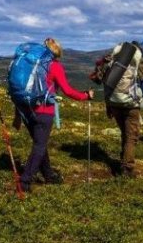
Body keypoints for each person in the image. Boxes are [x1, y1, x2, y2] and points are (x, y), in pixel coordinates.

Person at [12, 38, 94, 192]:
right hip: (44, 112)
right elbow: (68, 90)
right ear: (57, 53)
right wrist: (85, 96)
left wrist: (18, 115)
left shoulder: (32, 64)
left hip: (28, 110)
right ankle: (25, 181)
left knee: (39, 144)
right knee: (39, 146)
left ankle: (48, 175)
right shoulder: (55, 66)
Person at [105, 41, 143, 177]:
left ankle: (123, 160)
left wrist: (108, 106)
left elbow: (107, 85)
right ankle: (127, 168)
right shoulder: (139, 66)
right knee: (132, 137)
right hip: (131, 105)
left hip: (114, 102)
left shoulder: (113, 63)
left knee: (125, 133)